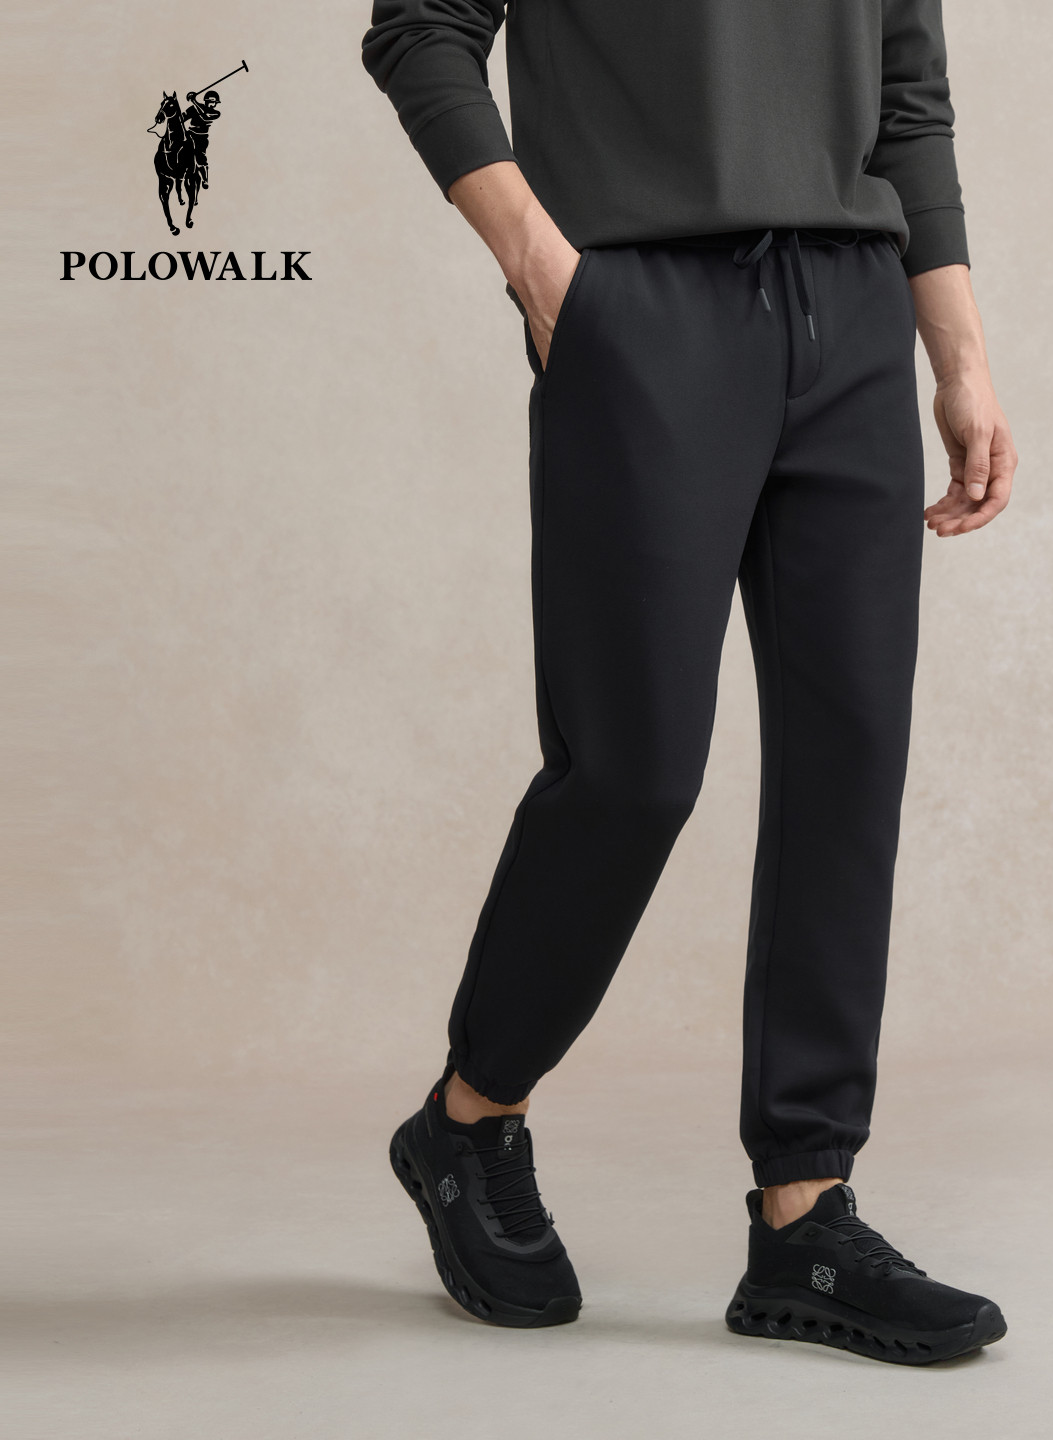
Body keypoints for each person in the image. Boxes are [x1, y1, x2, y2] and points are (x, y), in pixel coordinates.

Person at [361, 0, 1018, 1365]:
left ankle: (806, 1214)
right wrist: (543, 269)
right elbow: (421, 26)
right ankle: (470, 1118)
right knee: (633, 767)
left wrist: (957, 355)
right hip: (642, 300)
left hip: (853, 305)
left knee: (849, 764)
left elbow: (906, 91)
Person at [182, 90, 220, 190]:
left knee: (200, 157)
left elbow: (205, 116)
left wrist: (194, 101)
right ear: (206, 101)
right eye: (211, 101)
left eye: (214, 102)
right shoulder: (194, 108)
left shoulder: (215, 113)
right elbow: (182, 118)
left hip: (201, 138)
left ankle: (204, 179)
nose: (213, 104)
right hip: (190, 134)